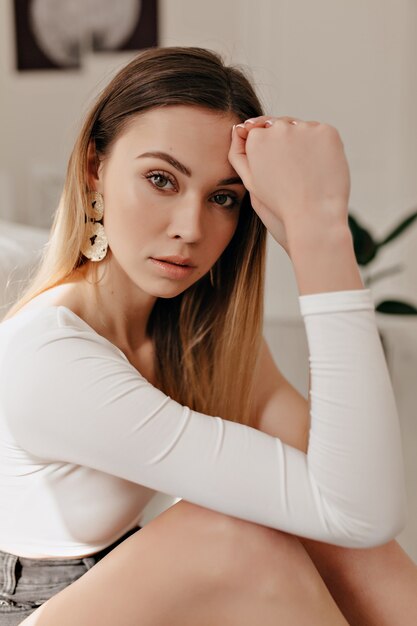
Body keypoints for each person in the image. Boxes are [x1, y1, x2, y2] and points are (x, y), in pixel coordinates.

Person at [0, 46, 414, 626]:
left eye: (223, 198)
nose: (190, 229)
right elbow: (359, 510)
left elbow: (356, 507)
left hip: (128, 591)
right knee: (235, 533)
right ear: (95, 168)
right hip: (34, 611)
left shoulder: (198, 335)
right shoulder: (51, 358)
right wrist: (321, 234)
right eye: (161, 179)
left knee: (315, 529)